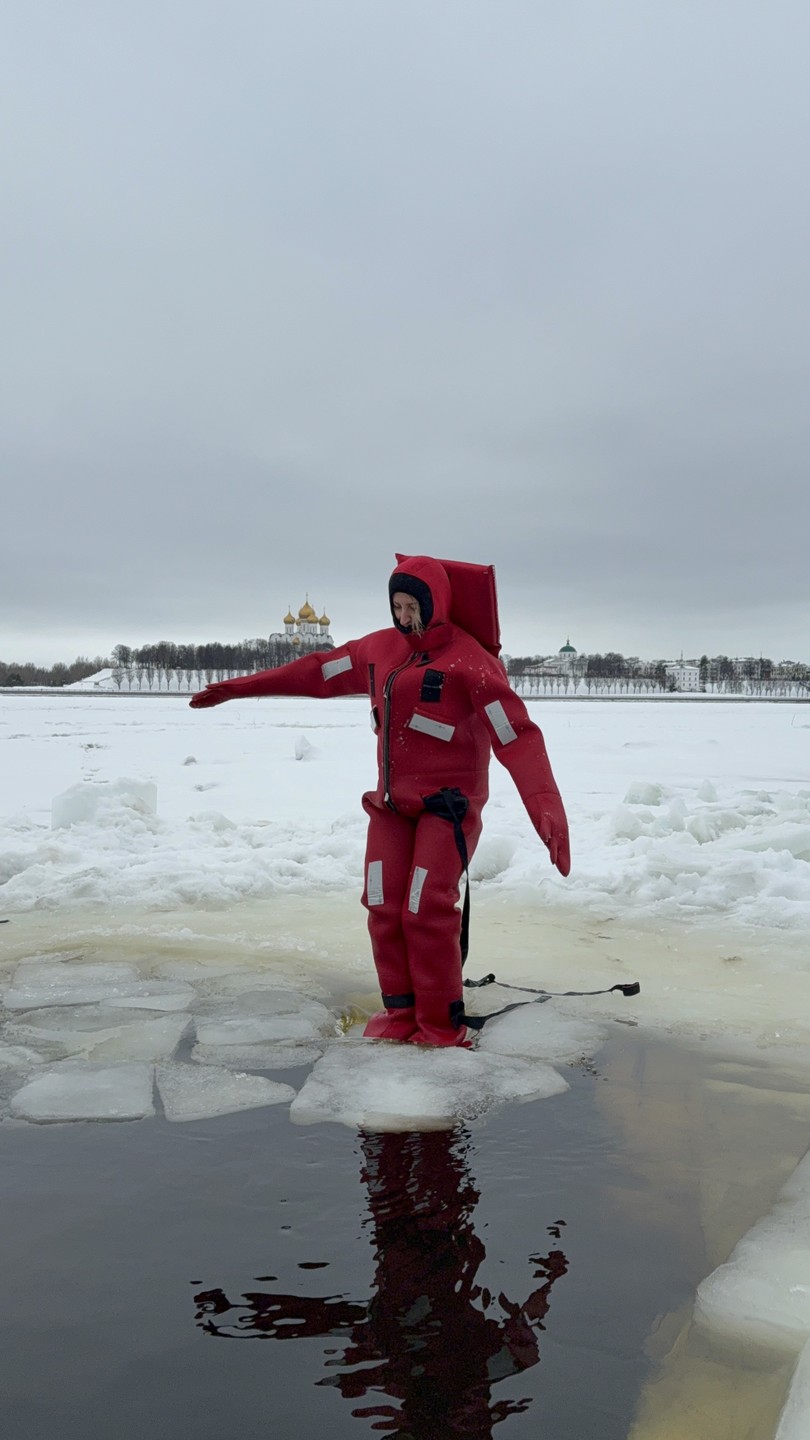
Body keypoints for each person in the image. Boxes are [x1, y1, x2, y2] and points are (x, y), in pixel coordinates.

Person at [190, 554, 570, 1047]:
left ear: (436, 604)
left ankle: (439, 1023)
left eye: (413, 606)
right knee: (383, 904)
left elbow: (514, 734)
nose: (404, 616)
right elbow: (316, 671)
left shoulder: (470, 661)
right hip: (391, 806)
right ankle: (401, 1014)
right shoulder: (378, 650)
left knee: (424, 907)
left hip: (446, 806)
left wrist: (545, 804)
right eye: (397, 605)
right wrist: (239, 689)